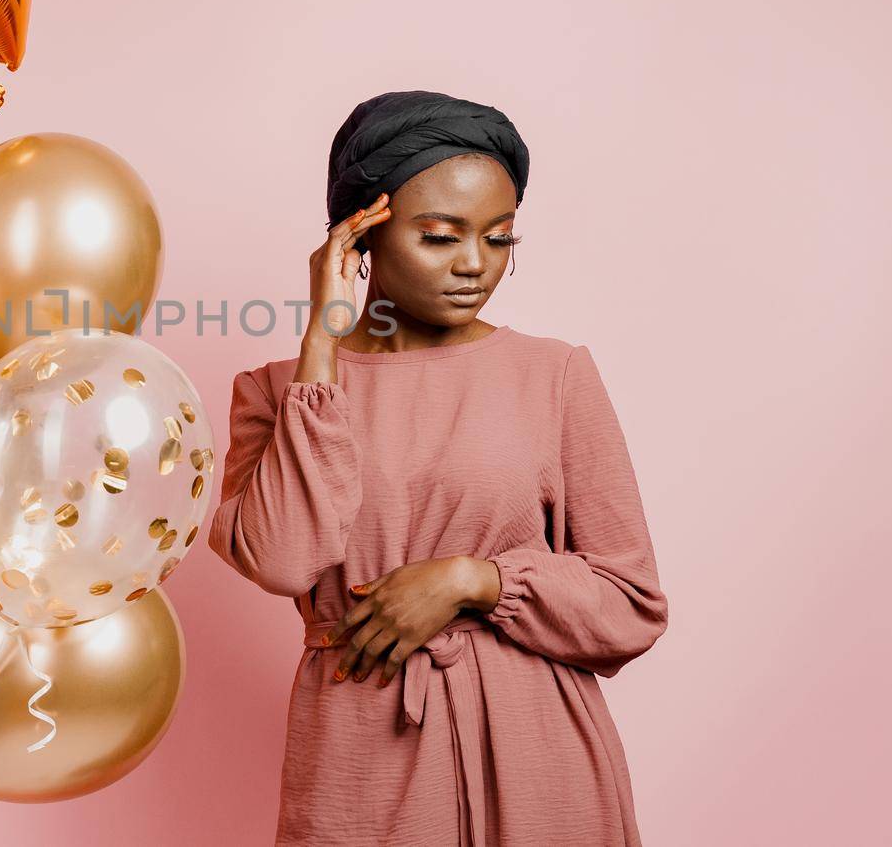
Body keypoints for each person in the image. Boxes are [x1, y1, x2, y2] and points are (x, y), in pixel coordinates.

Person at [208, 91, 669, 846]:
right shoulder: (273, 393)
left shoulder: (554, 375)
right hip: (359, 762)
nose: (473, 265)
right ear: (362, 234)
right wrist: (322, 347)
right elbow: (288, 558)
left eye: (498, 239)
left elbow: (632, 601)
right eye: (440, 236)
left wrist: (471, 580)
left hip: (539, 757)